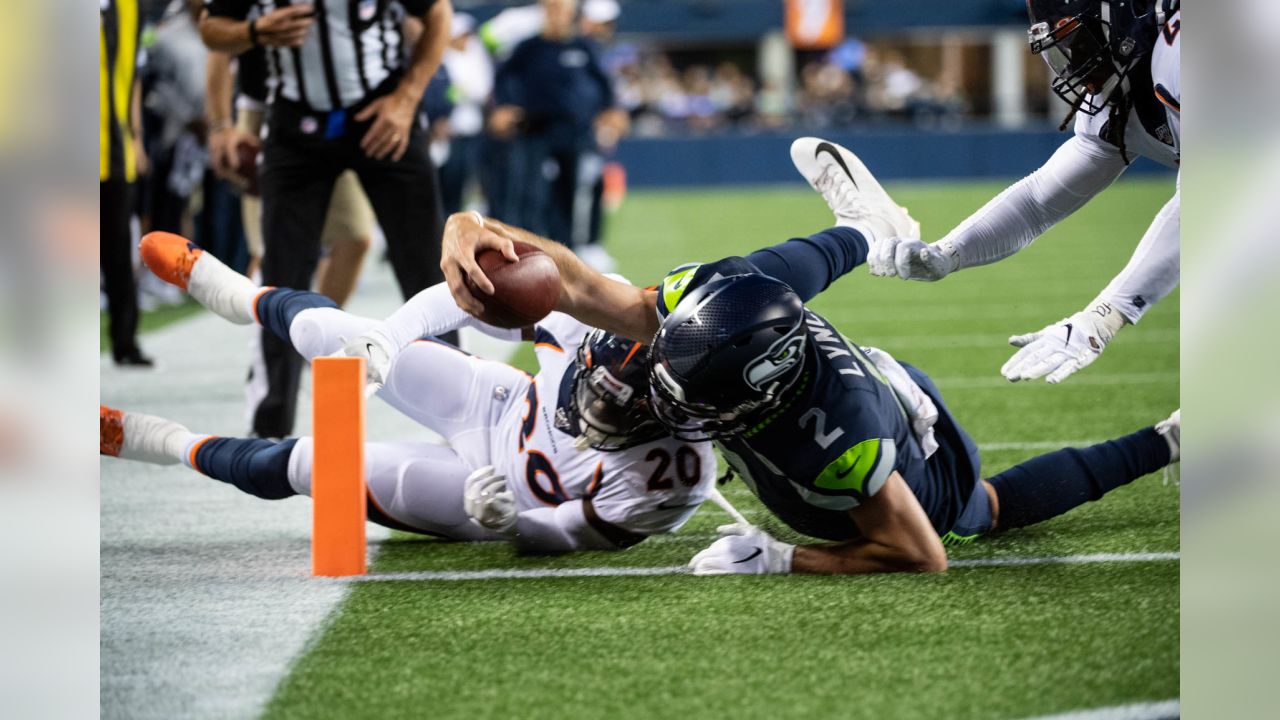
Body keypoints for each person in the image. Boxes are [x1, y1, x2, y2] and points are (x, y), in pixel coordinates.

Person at [432, 138, 1180, 575]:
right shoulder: (726, 297)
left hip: (909, 445)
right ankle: (870, 230)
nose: (673, 405)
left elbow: (922, 554)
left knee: (977, 509)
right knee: (785, 264)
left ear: (753, 404)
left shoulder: (834, 441)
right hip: (803, 349)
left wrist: (783, 557)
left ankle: (1168, 439)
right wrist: (474, 225)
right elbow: (581, 283)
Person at [103, 230, 716, 552]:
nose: (589, 412)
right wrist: (387, 342)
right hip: (499, 403)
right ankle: (236, 293)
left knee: (309, 464)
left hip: (494, 493)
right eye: (591, 388)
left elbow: (568, 533)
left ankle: (160, 442)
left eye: (612, 410)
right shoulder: (591, 312)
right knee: (331, 332)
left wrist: (509, 524)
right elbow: (460, 301)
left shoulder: (676, 475)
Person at [880, 0, 1181, 385]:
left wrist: (1104, 316)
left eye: (1076, 42)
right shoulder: (1124, 76)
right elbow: (1041, 200)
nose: (1071, 62)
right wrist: (948, 253)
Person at [200, 0, 454, 438]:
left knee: (427, 269)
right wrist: (257, 32)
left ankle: (461, 414)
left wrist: (407, 98)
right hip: (295, 121)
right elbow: (212, 30)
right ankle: (270, 430)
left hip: (382, 112)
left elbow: (438, 13)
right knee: (282, 276)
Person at [205, 47, 374, 306]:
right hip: (267, 115)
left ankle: (314, 330)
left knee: (355, 236)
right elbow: (218, 41)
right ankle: (266, 343)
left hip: (336, 115)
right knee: (273, 249)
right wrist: (220, 125)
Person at [489, 0, 626, 247]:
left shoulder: (583, 47)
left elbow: (604, 86)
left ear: (572, 14)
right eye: (553, 9)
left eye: (563, 10)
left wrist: (611, 112)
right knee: (531, 194)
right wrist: (503, 107)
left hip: (574, 133)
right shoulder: (528, 47)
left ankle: (566, 254)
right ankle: (527, 251)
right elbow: (502, 78)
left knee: (569, 195)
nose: (558, 15)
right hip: (533, 131)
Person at [100, 0, 153, 367]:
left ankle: (126, 341)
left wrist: (136, 136)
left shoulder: (131, 8)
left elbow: (133, 76)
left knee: (119, 249)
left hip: (114, 148)